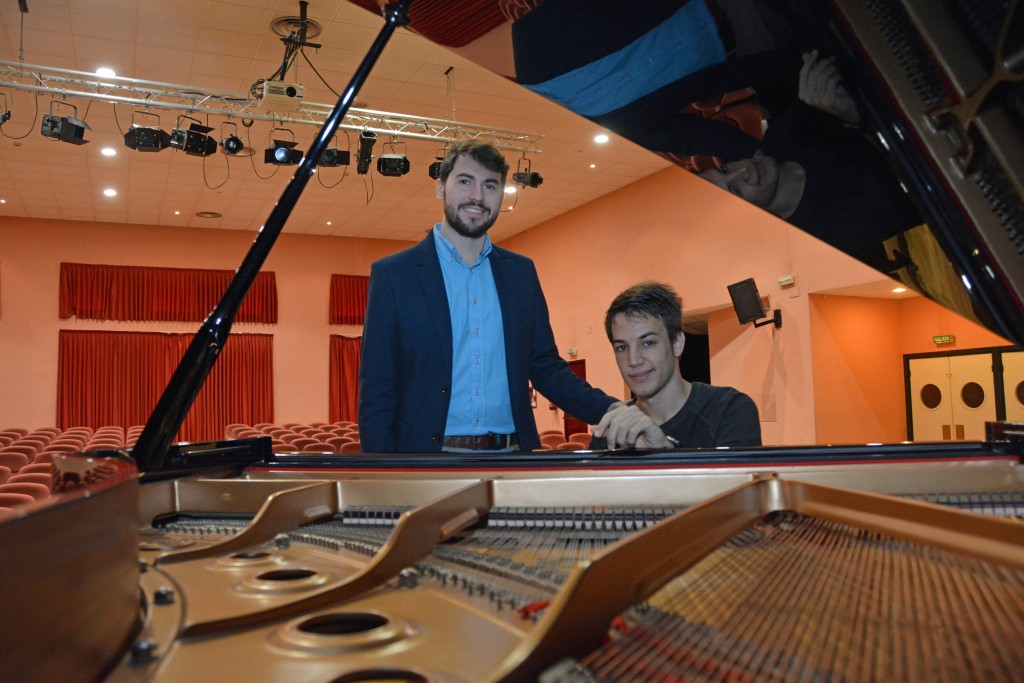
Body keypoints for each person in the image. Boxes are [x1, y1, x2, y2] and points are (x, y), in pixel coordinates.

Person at [358, 140, 616, 453]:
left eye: (490, 186)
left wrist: (614, 412)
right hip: (429, 462)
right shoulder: (394, 275)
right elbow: (377, 390)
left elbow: (546, 367)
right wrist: (383, 473)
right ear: (440, 188)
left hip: (512, 457)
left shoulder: (521, 273)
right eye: (465, 181)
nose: (478, 196)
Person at [698, 51, 923, 270]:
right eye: (736, 190)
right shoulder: (835, 237)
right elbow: (920, 183)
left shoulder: (779, 138)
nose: (742, 171)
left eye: (725, 170)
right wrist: (857, 116)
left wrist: (818, 72)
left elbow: (840, 86)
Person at [591, 282, 761, 450]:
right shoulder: (613, 427)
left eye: (648, 343)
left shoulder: (728, 410)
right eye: (622, 347)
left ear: (677, 343)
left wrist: (664, 450)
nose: (633, 360)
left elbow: (733, 471)